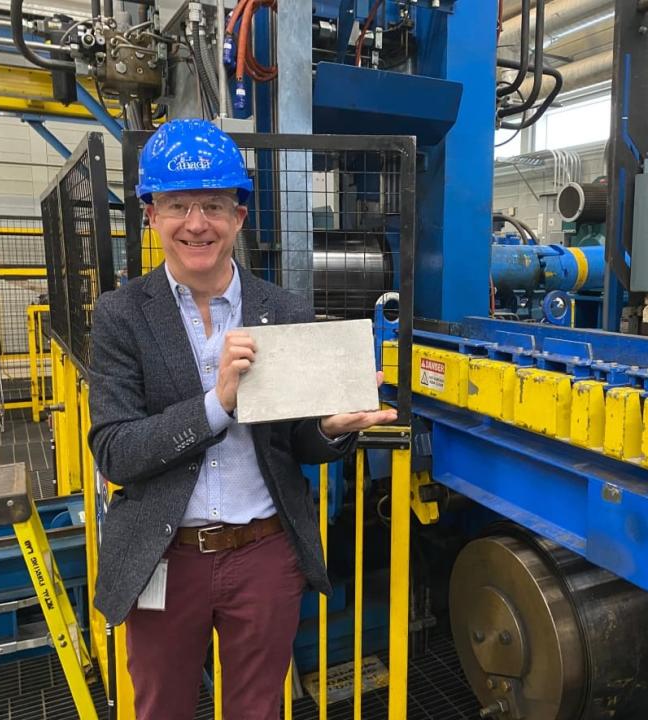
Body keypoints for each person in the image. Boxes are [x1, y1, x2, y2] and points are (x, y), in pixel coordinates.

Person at [88, 118, 396, 720]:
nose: (196, 223)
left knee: (258, 710)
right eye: (178, 205)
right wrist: (218, 403)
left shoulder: (282, 309)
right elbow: (116, 450)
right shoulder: (122, 315)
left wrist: (331, 431)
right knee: (162, 708)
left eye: (213, 204)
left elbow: (294, 441)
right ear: (151, 214)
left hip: (264, 553)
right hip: (164, 554)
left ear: (240, 215)